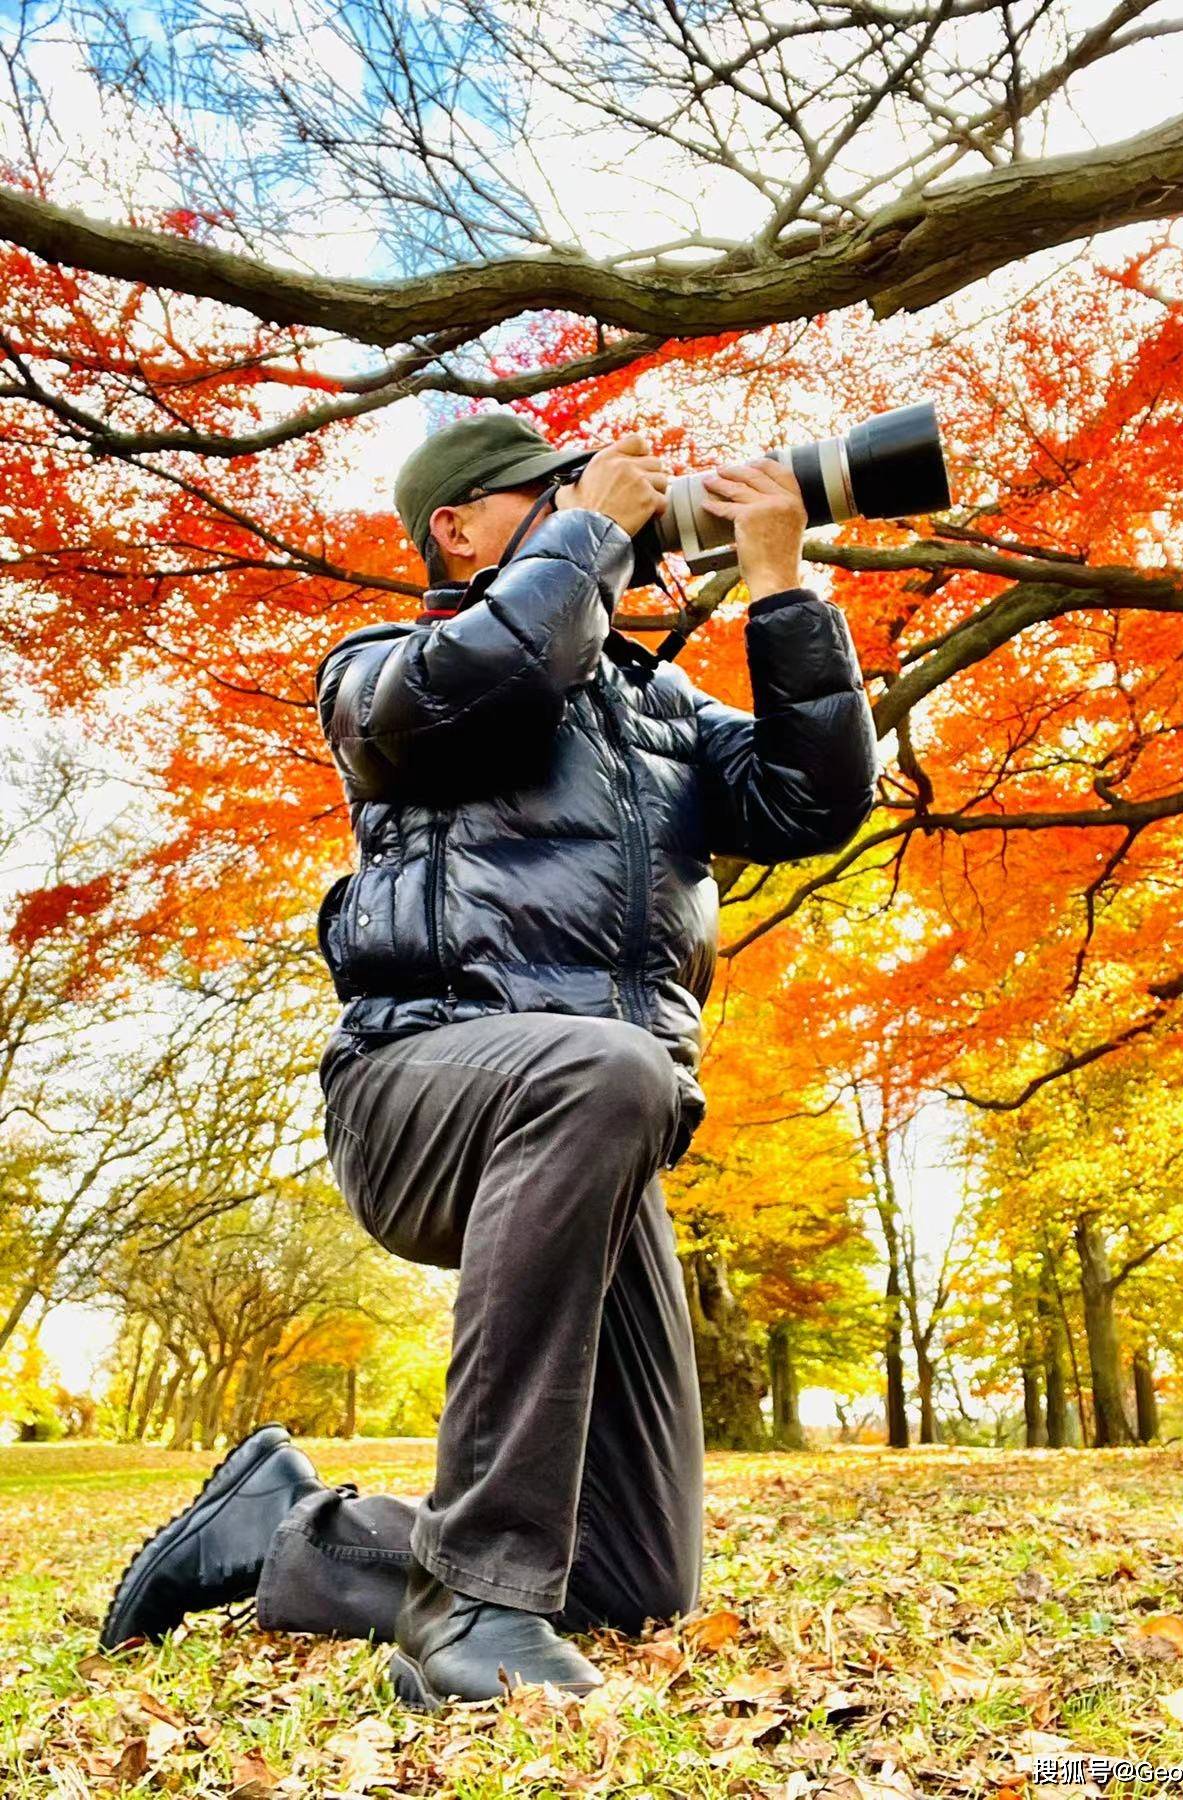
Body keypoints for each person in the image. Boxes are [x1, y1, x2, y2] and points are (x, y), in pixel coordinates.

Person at [98, 411, 879, 1711]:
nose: (597, 509)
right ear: (456, 529)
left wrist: (784, 585)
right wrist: (596, 530)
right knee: (613, 1068)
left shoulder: (662, 714)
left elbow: (817, 801)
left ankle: (288, 1528)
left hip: (595, 1128)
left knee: (633, 1584)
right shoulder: (386, 666)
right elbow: (496, 668)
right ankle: (473, 1611)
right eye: (552, 496)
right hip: (421, 1084)